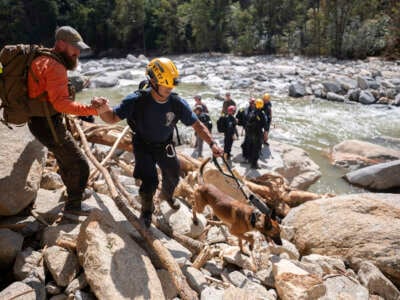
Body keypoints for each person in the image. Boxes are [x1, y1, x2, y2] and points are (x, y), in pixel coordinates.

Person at [95, 57, 223, 227]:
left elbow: (197, 125)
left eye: (172, 86)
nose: (170, 89)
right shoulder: (136, 100)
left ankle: (167, 196)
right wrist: (102, 110)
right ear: (153, 81)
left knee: (173, 174)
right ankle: (147, 210)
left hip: (165, 144)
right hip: (143, 144)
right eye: (166, 85)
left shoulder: (176, 103)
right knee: (149, 181)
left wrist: (212, 143)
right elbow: (111, 118)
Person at [27, 26, 107, 212]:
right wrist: (93, 110)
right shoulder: (55, 66)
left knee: (65, 159)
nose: (78, 52)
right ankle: (73, 209)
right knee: (80, 164)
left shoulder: (43, 59)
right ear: (61, 44)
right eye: (74, 48)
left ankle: (71, 193)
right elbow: (61, 105)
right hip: (48, 124)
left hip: (39, 121)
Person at [244, 99, 268, 169]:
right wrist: (265, 133)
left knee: (251, 147)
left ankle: (250, 160)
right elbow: (265, 125)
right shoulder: (262, 113)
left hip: (250, 133)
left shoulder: (252, 112)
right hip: (257, 133)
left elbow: (248, 121)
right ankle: (254, 164)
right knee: (257, 149)